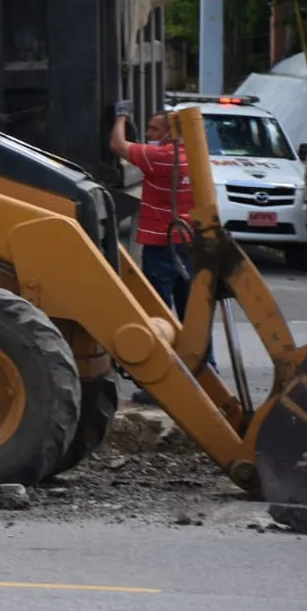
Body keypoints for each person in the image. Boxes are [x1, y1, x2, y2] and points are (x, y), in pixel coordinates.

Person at [110, 100, 215, 401]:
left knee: (157, 318)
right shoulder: (194, 157)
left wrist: (121, 116)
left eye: (154, 129)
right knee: (191, 315)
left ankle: (160, 386)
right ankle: (208, 376)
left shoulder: (161, 158)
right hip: (190, 246)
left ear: (171, 133)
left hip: (161, 248)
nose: (148, 133)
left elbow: (117, 145)